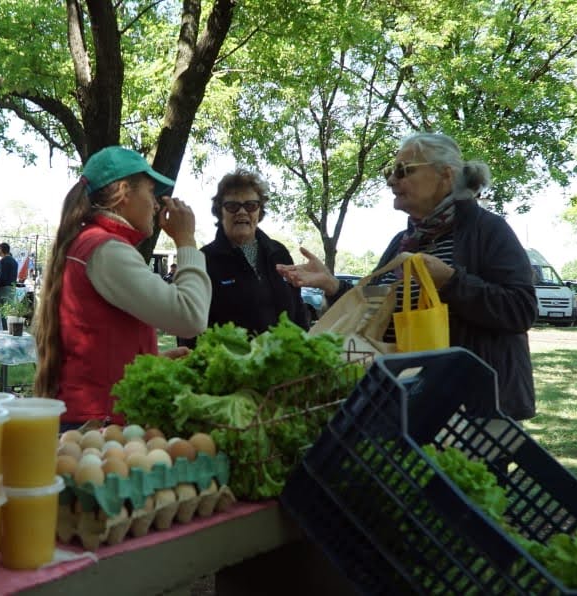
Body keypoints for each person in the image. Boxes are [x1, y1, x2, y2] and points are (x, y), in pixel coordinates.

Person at [278, 132, 538, 421]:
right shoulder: (403, 242)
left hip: (475, 412)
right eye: (391, 171)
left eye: (403, 171)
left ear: (446, 175)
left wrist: (451, 282)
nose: (391, 180)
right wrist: (334, 286)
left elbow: (522, 309)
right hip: (412, 407)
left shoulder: (489, 230)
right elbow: (379, 311)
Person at [34, 146, 211, 427]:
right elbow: (190, 317)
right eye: (151, 193)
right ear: (123, 192)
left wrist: (146, 362)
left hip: (87, 421)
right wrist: (186, 240)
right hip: (97, 427)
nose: (156, 205)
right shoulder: (106, 249)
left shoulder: (91, 242)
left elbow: (97, 341)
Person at [179, 170, 308, 348]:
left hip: (286, 367)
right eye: (232, 206)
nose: (242, 212)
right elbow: (188, 326)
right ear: (220, 212)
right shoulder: (203, 260)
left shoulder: (279, 252)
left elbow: (298, 310)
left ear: (259, 212)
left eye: (251, 205)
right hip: (230, 369)